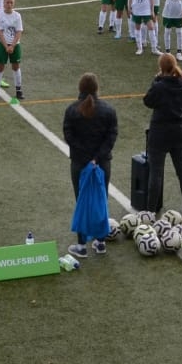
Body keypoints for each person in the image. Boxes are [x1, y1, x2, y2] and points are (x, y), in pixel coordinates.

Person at [63, 72, 118, 257]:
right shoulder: (108, 110)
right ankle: (100, 242)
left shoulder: (72, 110)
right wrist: (96, 157)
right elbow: (111, 137)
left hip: (80, 163)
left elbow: (69, 136)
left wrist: (86, 157)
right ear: (96, 88)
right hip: (102, 163)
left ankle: (81, 246)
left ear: (80, 88)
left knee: (82, 202)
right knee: (101, 200)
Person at [142, 52, 182, 220]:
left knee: (156, 172)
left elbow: (148, 101)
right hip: (180, 131)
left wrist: (155, 81)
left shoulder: (159, 86)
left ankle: (151, 211)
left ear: (161, 67)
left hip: (159, 131)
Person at [0, 0, 25, 100]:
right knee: (0, 67)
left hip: (15, 44)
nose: (9, 4)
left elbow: (19, 32)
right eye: (7, 2)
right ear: (4, 3)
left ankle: (19, 90)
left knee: (16, 66)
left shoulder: (17, 16)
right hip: (2, 44)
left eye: (11, 2)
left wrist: (13, 45)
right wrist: (6, 46)